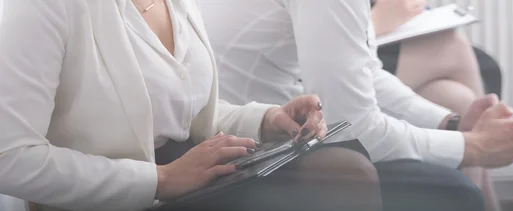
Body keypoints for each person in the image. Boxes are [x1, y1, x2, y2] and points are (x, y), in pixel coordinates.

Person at [0, 1, 386, 211]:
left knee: (346, 171)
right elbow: (8, 157)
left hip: (187, 180)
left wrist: (267, 120)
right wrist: (161, 179)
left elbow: (178, 113)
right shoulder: (41, 6)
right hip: (110, 196)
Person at [199, 0, 513, 210]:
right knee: (456, 191)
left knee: (450, 95)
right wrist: (473, 147)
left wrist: (448, 123)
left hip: (259, 130)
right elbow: (353, 130)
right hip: (253, 153)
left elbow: (365, 71)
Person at [371, 0, 501, 210]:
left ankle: (480, 196)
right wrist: (377, 20)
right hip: (350, 58)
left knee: (458, 97)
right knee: (454, 46)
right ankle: (482, 197)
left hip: (369, 43)